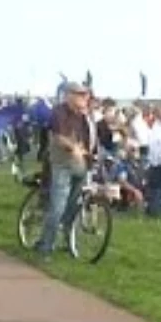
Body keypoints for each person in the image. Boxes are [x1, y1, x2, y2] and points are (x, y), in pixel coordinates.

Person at [36, 82, 92, 259]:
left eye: (85, 95)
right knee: (58, 207)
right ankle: (46, 246)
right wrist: (73, 148)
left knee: (73, 206)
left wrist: (87, 152)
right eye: (80, 94)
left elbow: (88, 140)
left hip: (80, 165)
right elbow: (58, 137)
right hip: (62, 164)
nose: (84, 98)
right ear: (69, 95)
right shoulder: (59, 112)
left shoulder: (84, 117)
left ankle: (68, 242)